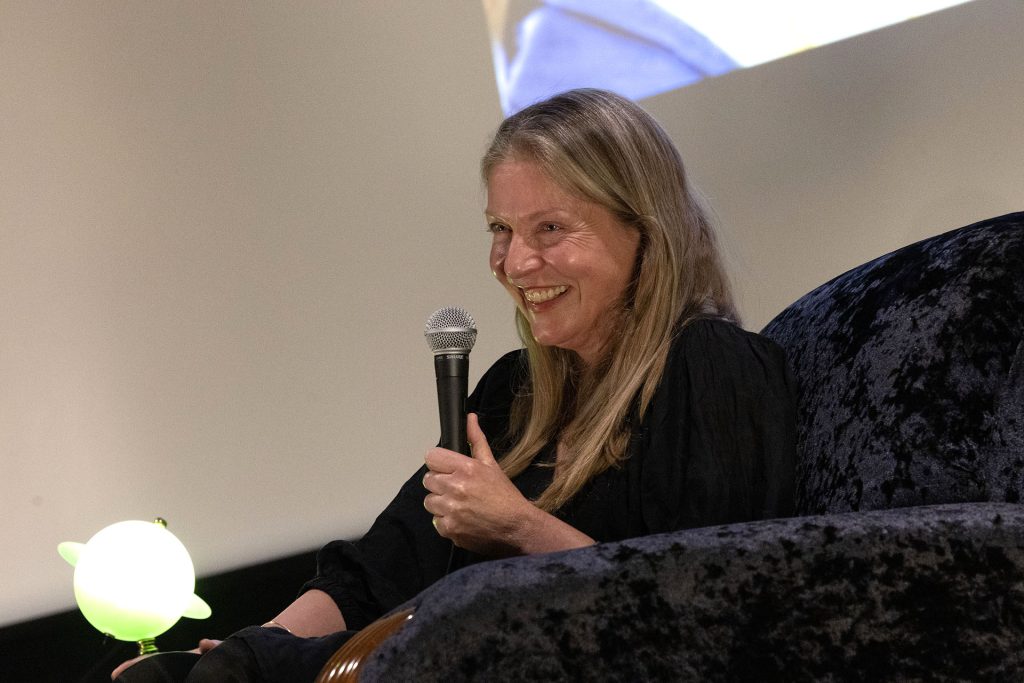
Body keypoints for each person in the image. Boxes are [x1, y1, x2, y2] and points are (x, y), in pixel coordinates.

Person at [113, 88, 796, 681]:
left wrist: (520, 527)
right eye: (501, 229)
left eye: (551, 228)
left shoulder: (711, 367)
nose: (516, 261)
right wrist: (252, 648)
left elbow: (710, 611)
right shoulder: (511, 393)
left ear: (646, 230)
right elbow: (373, 570)